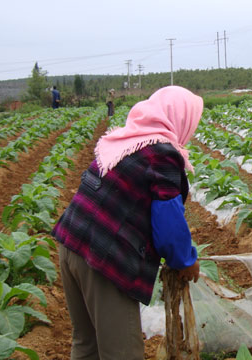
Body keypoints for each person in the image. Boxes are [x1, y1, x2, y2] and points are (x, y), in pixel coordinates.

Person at [51, 86, 203, 360]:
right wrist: (185, 260)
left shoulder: (127, 140)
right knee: (122, 353)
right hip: (104, 258)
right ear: (181, 117)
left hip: (71, 244)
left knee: (87, 345)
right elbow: (169, 227)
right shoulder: (162, 153)